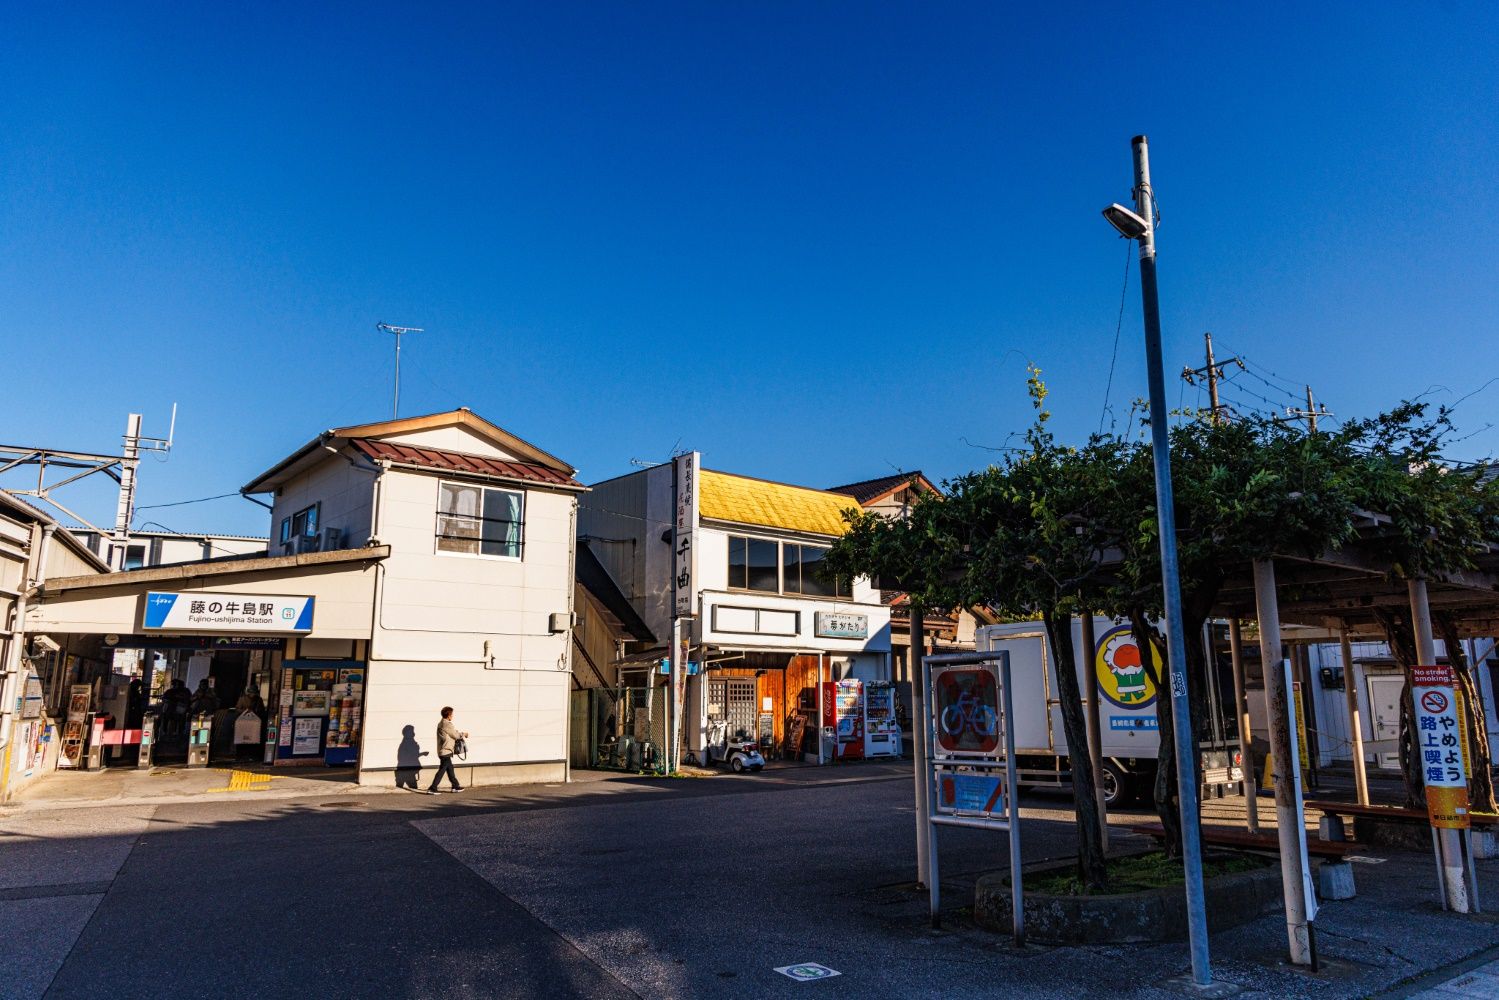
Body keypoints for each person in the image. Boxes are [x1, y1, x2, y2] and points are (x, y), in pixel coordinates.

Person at [426, 706, 467, 794]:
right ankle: (432, 788)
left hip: (443, 750)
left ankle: (455, 786)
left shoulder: (441, 723)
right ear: (448, 715)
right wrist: (464, 734)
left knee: (450, 769)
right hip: (446, 750)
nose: (452, 716)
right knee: (442, 770)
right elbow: (455, 735)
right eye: (452, 714)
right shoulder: (447, 724)